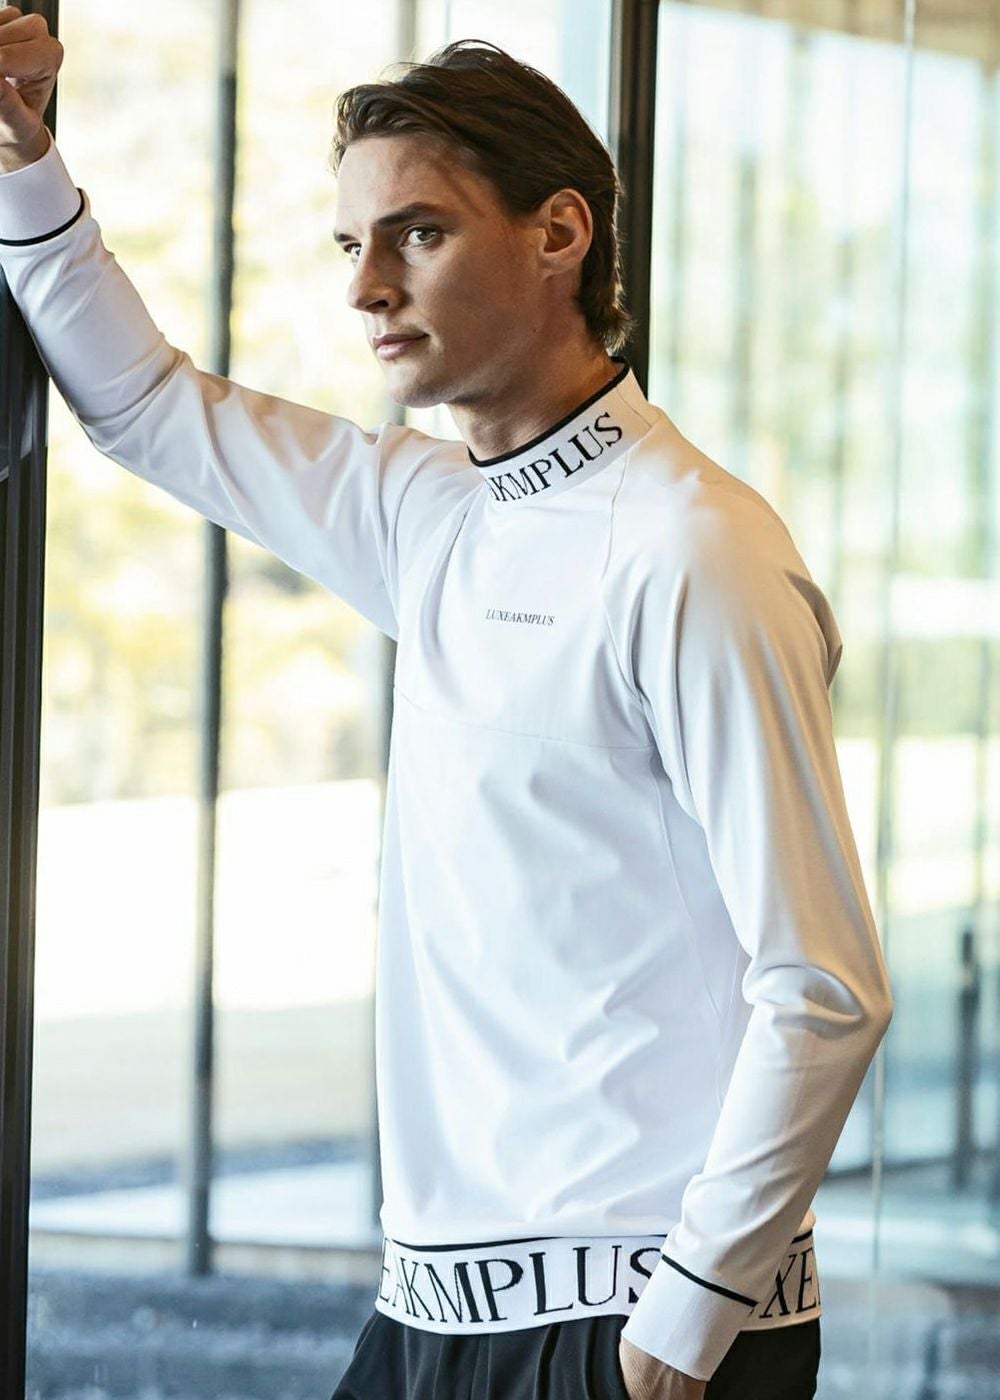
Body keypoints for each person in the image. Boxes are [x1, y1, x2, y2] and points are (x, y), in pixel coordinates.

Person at [0, 11, 893, 1399]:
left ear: (559, 234)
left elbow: (825, 984)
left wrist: (687, 1321)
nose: (368, 287)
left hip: (635, 1316)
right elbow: (150, 409)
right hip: (431, 1307)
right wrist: (23, 164)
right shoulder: (429, 512)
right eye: (349, 245)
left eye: (417, 235)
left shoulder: (692, 548)